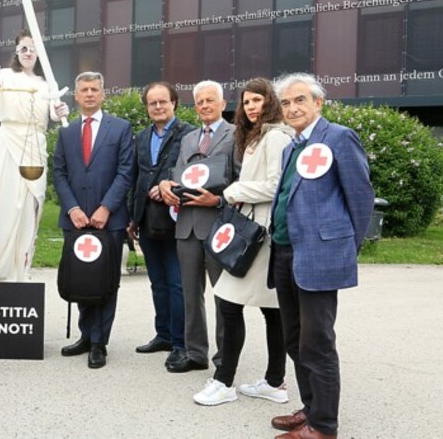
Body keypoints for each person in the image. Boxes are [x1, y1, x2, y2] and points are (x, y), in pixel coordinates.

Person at [268, 73, 374, 439]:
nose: (293, 108)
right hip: (284, 253)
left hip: (318, 256)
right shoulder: (289, 147)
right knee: (295, 340)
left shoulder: (338, 138)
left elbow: (360, 199)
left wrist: (343, 248)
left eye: (300, 100)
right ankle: (311, 408)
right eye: (286, 103)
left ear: (318, 103)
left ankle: (324, 426)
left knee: (318, 342)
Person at [190, 78, 293, 406]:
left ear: (269, 102)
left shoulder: (275, 136)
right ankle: (275, 383)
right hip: (257, 231)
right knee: (271, 310)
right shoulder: (255, 136)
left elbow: (276, 185)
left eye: (257, 101)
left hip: (259, 235)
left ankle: (224, 382)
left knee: (228, 303)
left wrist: (233, 192)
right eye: (246, 102)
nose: (250, 107)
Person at [159, 80, 240, 373]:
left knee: (224, 296)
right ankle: (195, 353)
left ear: (222, 104)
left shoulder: (236, 134)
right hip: (187, 226)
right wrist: (167, 185)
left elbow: (241, 179)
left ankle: (224, 359)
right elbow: (180, 175)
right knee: (190, 295)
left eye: (210, 100)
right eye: (200, 102)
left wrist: (218, 200)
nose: (205, 105)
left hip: (220, 225)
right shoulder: (189, 139)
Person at [54, 71, 133, 369]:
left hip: (107, 221)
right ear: (76, 96)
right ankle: (86, 336)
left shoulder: (121, 129)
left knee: (105, 281)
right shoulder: (66, 133)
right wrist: (73, 208)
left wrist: (106, 208)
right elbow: (59, 173)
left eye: (94, 89)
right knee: (82, 278)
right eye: (84, 89)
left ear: (103, 94)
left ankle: (100, 342)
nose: (89, 94)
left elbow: (126, 171)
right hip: (75, 220)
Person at [0, 29, 69, 281]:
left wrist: (62, 108)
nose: (28, 53)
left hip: (34, 146)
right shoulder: (5, 76)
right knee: (6, 205)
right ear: (16, 53)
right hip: (8, 142)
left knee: (32, 206)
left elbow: (53, 113)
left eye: (33, 49)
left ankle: (22, 269)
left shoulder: (46, 83)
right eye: (24, 49)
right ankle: (0, 270)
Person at [127, 81, 196, 367]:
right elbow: (135, 177)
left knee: (177, 282)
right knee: (157, 282)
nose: (158, 107)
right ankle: (163, 334)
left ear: (174, 103)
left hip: (175, 217)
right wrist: (132, 216)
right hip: (146, 218)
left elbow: (193, 172)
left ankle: (181, 343)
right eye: (152, 103)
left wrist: (168, 185)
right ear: (147, 107)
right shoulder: (141, 137)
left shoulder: (188, 135)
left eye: (163, 102)